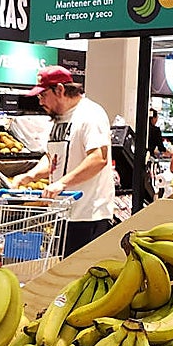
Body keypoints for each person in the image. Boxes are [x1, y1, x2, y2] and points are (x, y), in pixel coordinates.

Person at [11, 65, 117, 256]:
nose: (40, 101)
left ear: (60, 90)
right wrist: (30, 175)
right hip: (64, 213)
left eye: (43, 95)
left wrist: (61, 183)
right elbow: (52, 156)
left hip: (88, 216)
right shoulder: (59, 119)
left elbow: (98, 158)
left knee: (79, 276)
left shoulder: (90, 114)